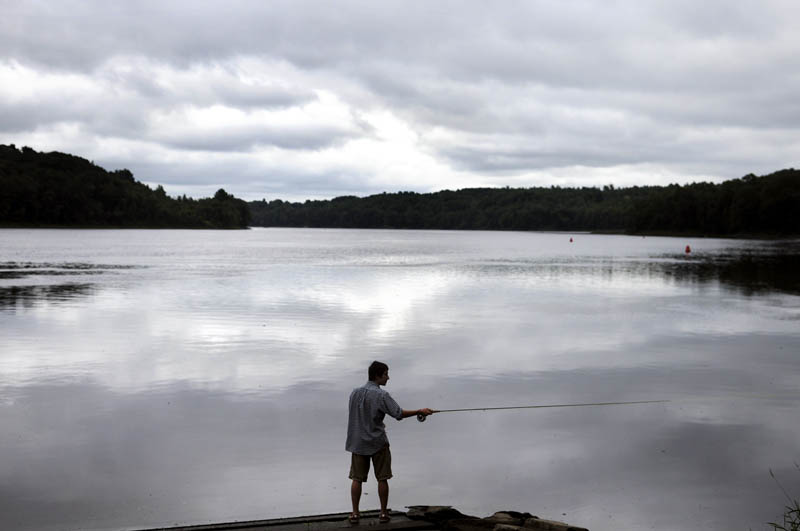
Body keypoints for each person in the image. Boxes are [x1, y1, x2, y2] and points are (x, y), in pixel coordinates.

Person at [346, 361, 433, 524]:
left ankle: (355, 514)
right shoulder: (381, 395)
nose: (388, 377)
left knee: (356, 479)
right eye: (386, 374)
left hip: (357, 443)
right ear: (377, 376)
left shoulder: (354, 393)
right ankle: (384, 513)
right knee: (382, 478)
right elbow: (398, 413)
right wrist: (419, 411)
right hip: (378, 443)